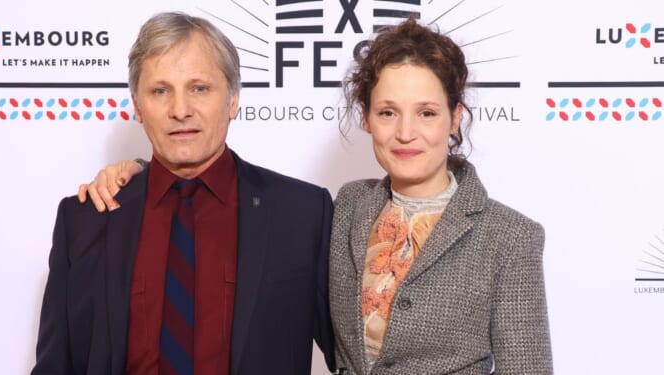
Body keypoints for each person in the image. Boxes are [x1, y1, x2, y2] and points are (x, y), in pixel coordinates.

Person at [81, 17, 553, 375]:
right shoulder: (346, 208)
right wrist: (141, 175)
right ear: (367, 118)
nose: (406, 132)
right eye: (388, 111)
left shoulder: (508, 237)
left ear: (454, 118)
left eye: (427, 112)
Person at [33, 12, 336, 375]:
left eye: (199, 88)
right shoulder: (85, 218)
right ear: (138, 106)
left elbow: (355, 355)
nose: (180, 110)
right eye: (160, 91)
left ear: (233, 99)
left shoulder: (302, 214)